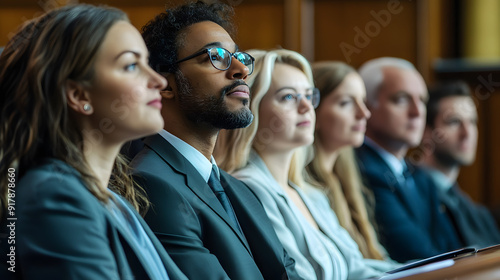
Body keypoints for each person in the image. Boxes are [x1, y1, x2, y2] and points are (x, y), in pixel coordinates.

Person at [0, 4, 186, 279]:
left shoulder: (113, 199)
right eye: (132, 65)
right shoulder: (54, 196)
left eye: (147, 63)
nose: (158, 80)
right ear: (78, 95)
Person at [130, 2, 300, 279]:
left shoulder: (237, 188)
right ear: (166, 84)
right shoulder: (151, 183)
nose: (241, 71)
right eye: (216, 56)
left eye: (239, 57)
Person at [215, 49, 399, 280]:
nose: (306, 108)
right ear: (251, 110)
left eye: (309, 96)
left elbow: (357, 268)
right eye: (288, 97)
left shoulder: (310, 192)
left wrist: (433, 270)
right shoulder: (249, 189)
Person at [355, 57, 462, 262]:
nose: (417, 112)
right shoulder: (361, 170)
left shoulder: (421, 177)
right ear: (367, 106)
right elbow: (417, 255)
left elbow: (454, 250)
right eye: (401, 99)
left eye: (422, 100)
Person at [305, 61, 392, 261]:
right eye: (346, 103)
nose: (364, 113)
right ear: (312, 111)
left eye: (363, 101)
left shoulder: (347, 176)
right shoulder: (305, 187)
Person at [419, 80, 500, 248]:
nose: (467, 133)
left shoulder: (468, 205)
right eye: (454, 122)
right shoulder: (414, 196)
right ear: (426, 132)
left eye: (472, 122)